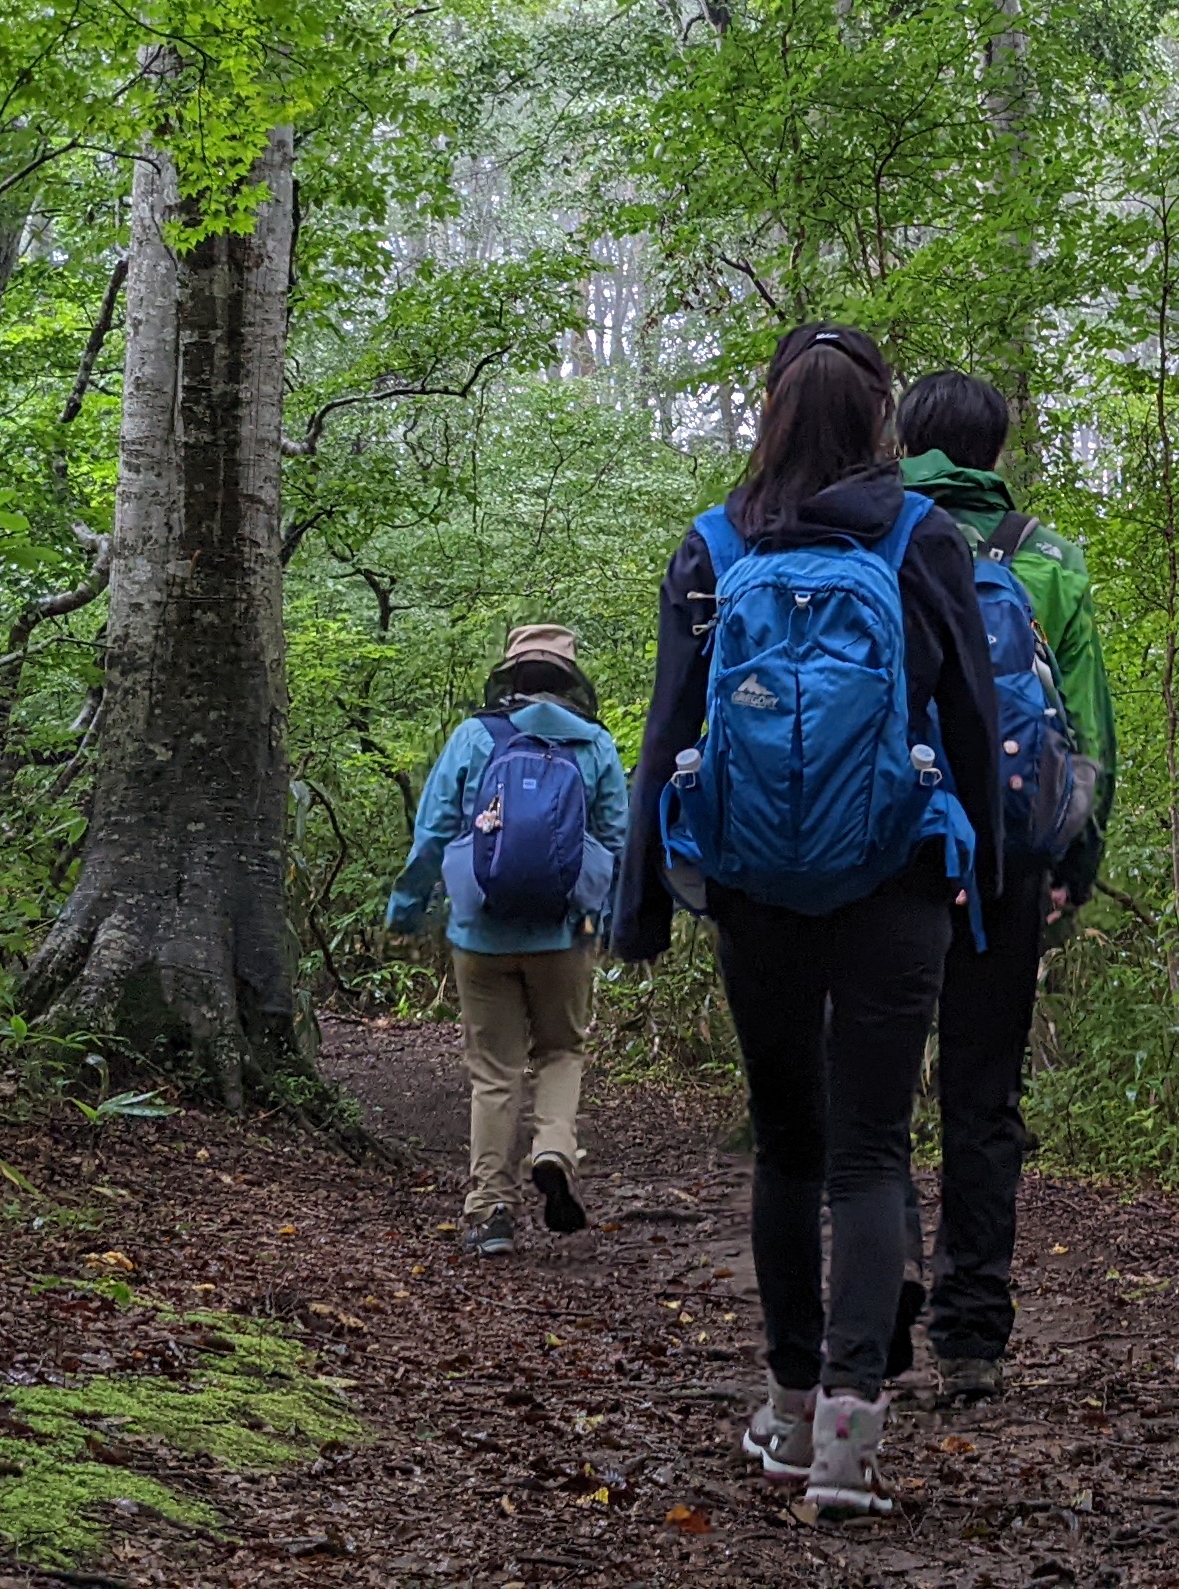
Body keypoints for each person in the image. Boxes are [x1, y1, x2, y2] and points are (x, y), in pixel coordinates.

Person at [618, 324, 1000, 1520]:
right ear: (883, 417)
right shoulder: (920, 536)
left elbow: (671, 728)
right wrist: (974, 877)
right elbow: (974, 724)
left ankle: (785, 1412)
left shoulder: (714, 547)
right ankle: (849, 1438)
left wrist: (642, 904)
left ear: (767, 412)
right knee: (872, 1152)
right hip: (894, 883)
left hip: (754, 890)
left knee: (784, 1144)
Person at [893, 371, 1113, 1406]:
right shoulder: (1048, 556)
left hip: (884, 851)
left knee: (877, 1082)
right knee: (984, 1099)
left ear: (907, 441)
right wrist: (1075, 861)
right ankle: (972, 1332)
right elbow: (1089, 727)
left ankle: (882, 1278)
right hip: (1006, 862)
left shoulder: (873, 538)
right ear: (998, 445)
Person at [385, 624, 628, 1255]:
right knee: (561, 1052)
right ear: (571, 681)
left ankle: (490, 1212)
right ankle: (551, 1149)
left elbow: (433, 830)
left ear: (511, 677)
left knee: (493, 1073)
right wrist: (607, 920)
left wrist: (407, 908)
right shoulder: (595, 745)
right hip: (564, 936)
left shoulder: (474, 737)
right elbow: (618, 842)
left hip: (480, 934)